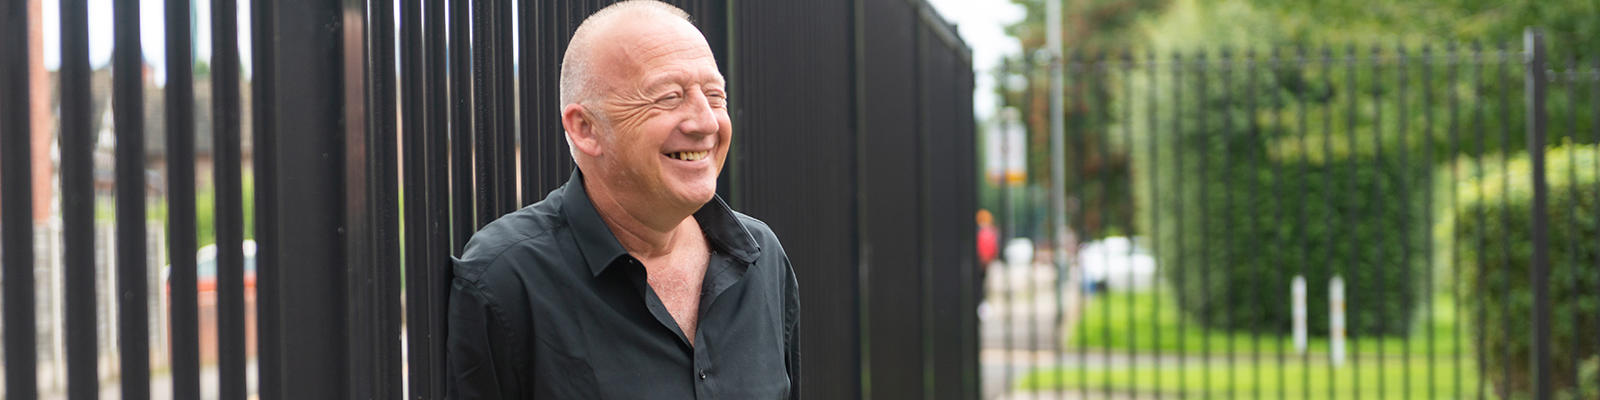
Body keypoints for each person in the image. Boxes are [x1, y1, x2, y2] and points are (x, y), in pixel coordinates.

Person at [446, 1, 800, 398]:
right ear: (585, 129)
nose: (705, 122)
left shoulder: (761, 257)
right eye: (669, 97)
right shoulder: (506, 280)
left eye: (715, 95)